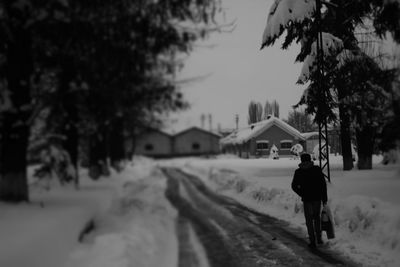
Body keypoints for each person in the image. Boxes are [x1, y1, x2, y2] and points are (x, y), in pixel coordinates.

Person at [291, 153, 328, 248]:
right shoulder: (317, 170)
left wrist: (301, 193)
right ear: (310, 159)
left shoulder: (298, 172)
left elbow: (294, 186)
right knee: (316, 218)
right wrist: (324, 198)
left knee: (309, 220)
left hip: (307, 199)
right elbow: (323, 185)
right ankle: (319, 238)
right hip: (317, 198)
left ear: (301, 160)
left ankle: (312, 240)